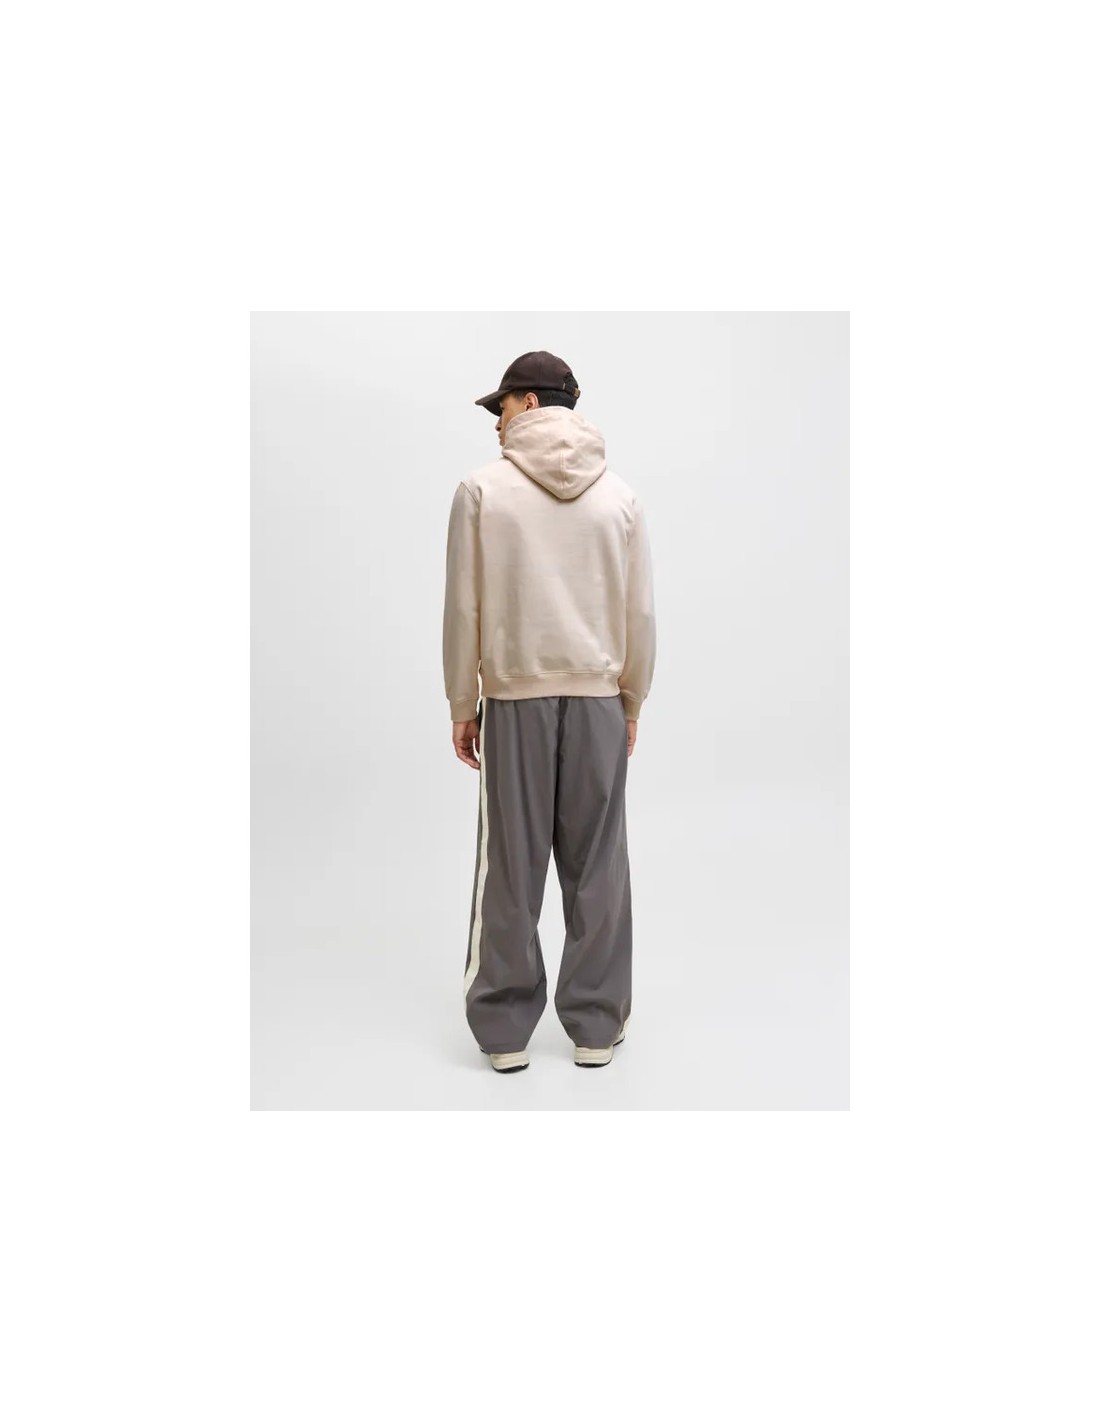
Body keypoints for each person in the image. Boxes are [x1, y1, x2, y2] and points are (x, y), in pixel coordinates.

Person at [443, 351, 656, 1074]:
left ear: (529, 403)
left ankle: (504, 1032)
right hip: (599, 701)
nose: (496, 423)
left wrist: (462, 701)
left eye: (500, 407)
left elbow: (463, 607)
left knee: (511, 863)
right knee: (599, 866)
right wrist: (630, 698)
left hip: (514, 700)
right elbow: (639, 613)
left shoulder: (480, 491)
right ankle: (596, 1026)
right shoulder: (620, 497)